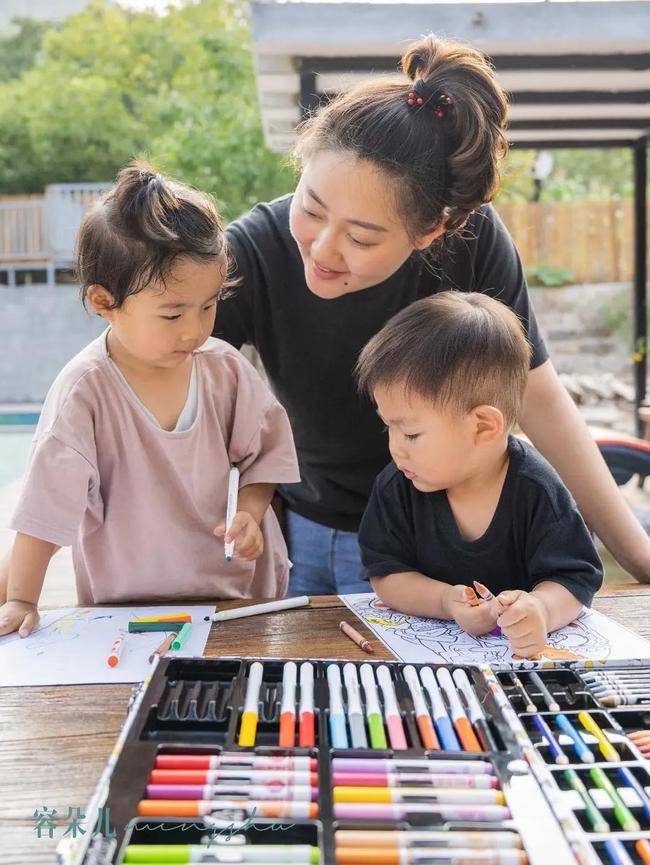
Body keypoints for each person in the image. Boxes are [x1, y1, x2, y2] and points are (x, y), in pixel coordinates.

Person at [213, 34, 650, 595]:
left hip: (443, 535)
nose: (323, 249)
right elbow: (161, 377)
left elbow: (537, 396)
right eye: (312, 208)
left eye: (362, 238)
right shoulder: (251, 251)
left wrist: (638, 559)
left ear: (431, 232)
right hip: (309, 530)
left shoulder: (473, 243)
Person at [0, 162, 299, 637]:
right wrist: (20, 598)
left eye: (209, 305)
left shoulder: (225, 370)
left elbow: (264, 459)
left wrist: (250, 512)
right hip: (125, 614)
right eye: (172, 313)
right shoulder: (85, 392)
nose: (195, 329)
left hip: (233, 605)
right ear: (104, 301)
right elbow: (45, 512)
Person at [355, 292, 603, 657]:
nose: (396, 448)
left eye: (410, 433)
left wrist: (540, 610)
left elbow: (574, 578)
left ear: (484, 426)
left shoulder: (537, 489)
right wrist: (446, 601)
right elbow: (387, 575)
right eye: (388, 428)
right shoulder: (398, 484)